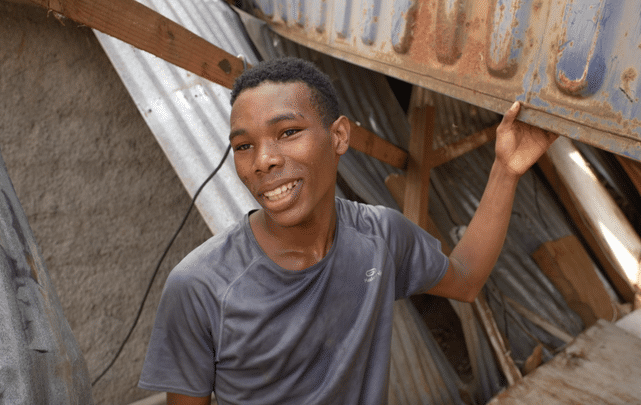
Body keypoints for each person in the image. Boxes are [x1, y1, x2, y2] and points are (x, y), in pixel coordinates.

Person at [138, 57, 558, 405]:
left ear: (339, 136)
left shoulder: (380, 237)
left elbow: (465, 279)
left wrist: (506, 169)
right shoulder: (201, 287)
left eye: (287, 132)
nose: (262, 160)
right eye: (244, 145)